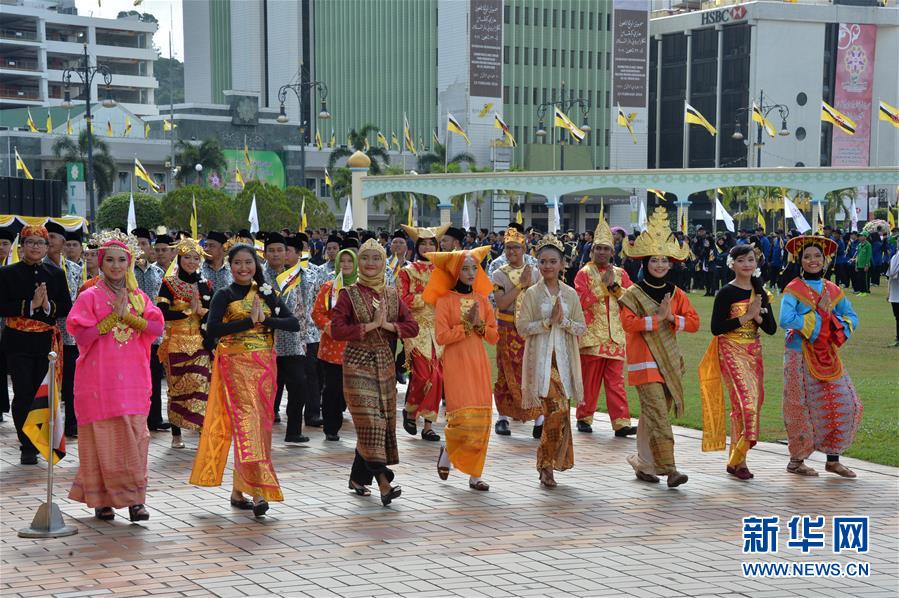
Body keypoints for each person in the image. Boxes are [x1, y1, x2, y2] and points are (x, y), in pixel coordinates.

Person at [190, 243, 300, 518]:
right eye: (237, 263)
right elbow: (212, 328)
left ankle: (239, 489)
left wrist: (265, 322)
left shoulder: (265, 292)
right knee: (247, 423)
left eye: (248, 263)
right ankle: (258, 490)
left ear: (256, 265)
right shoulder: (224, 295)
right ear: (230, 265)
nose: (243, 268)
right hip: (235, 364)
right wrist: (247, 324)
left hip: (264, 367)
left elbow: (293, 323)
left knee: (260, 426)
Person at [66, 232, 164, 521]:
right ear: (100, 262)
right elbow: (81, 334)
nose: (116, 265)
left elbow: (156, 329)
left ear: (130, 263)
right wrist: (112, 319)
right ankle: (102, 500)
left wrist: (129, 317)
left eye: (122, 260)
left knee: (137, 438)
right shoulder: (89, 296)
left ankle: (136, 501)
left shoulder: (138, 296)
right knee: (101, 440)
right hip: (98, 382)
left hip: (133, 381)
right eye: (109, 260)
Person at [329, 239, 419, 506]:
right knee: (370, 421)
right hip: (357, 363)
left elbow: (412, 326)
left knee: (380, 423)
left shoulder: (392, 294)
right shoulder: (348, 294)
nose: (370, 263)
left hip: (385, 363)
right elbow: (336, 329)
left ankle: (358, 478)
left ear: (383, 262)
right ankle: (384, 482)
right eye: (365, 258)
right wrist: (368, 327)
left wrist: (389, 326)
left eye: (376, 258)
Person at [619, 207, 699, 488]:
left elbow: (694, 323)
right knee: (659, 415)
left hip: (670, 363)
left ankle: (643, 462)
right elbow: (629, 325)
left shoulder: (676, 293)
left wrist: (671, 317)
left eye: (665, 260)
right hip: (644, 363)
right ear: (645, 261)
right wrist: (656, 320)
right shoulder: (632, 294)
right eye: (655, 260)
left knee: (653, 415)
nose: (661, 265)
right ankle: (670, 468)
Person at [780, 236, 862, 478]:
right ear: (800, 261)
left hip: (827, 352)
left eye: (817, 256)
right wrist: (818, 319)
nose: (813, 260)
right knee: (800, 405)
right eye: (807, 257)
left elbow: (851, 317)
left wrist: (832, 322)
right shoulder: (793, 288)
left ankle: (833, 459)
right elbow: (786, 319)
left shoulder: (833, 290)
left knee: (844, 402)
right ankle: (796, 461)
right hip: (799, 354)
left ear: (825, 260)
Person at [699, 245, 777, 480]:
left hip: (754, 351)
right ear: (732, 264)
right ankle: (738, 460)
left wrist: (758, 315)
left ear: (756, 263)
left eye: (751, 260)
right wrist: (745, 317)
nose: (747, 264)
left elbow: (772, 329)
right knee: (746, 406)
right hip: (731, 350)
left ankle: (737, 460)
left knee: (752, 405)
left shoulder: (760, 292)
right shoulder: (726, 293)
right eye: (741, 260)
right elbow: (716, 328)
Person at [425, 246, 498, 491]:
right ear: (455, 272)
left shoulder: (482, 299)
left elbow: (493, 336)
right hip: (456, 363)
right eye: (464, 268)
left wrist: (479, 327)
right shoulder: (445, 301)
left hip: (479, 362)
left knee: (482, 420)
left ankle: (475, 475)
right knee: (463, 420)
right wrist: (466, 326)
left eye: (473, 268)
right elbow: (442, 336)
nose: (470, 273)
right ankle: (448, 448)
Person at [517, 234, 587, 488]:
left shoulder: (570, 294)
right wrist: (547, 322)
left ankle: (548, 464)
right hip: (542, 364)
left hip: (565, 364)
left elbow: (581, 327)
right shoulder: (532, 294)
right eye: (543, 262)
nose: (547, 266)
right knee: (556, 412)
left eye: (553, 261)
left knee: (560, 415)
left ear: (562, 264)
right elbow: (522, 326)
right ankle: (546, 465)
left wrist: (564, 321)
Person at [0, 225, 73, 464]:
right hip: (18, 341)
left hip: (45, 343)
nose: (35, 247)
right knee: (23, 393)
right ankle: (27, 444)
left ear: (46, 247)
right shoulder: (7, 273)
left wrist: (48, 305)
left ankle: (42, 439)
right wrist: (29, 305)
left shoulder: (55, 274)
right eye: (30, 242)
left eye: (40, 243)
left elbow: (66, 306)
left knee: (44, 393)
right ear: (21, 246)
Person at [574, 217, 636, 437]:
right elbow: (581, 302)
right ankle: (584, 416)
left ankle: (621, 422)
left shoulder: (621, 274)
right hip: (592, 335)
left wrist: (615, 287)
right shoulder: (584, 273)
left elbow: (631, 300)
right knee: (589, 380)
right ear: (592, 251)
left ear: (613, 251)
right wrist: (603, 287)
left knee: (616, 382)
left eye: (606, 249)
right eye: (598, 248)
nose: (601, 252)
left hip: (616, 336)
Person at [156, 238, 214, 449]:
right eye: (187, 257)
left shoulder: (205, 285)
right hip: (175, 342)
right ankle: (176, 433)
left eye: (195, 258)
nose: (191, 261)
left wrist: (203, 312)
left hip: (199, 342)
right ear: (179, 259)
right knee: (177, 389)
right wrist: (187, 311)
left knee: (202, 385)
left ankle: (201, 429)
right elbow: (161, 314)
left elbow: (213, 315)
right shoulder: (168, 284)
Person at [397, 224, 449, 441]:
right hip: (416, 329)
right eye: (423, 243)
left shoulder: (445, 272)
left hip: (438, 329)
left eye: (431, 243)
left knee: (437, 377)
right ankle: (410, 411)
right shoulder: (406, 271)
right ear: (416, 246)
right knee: (421, 374)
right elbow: (402, 300)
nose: (427, 247)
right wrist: (427, 296)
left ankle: (428, 425)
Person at [491, 226, 543, 437]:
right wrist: (521, 285)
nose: (512, 252)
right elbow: (502, 302)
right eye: (508, 248)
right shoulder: (498, 273)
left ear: (524, 248)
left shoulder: (536, 272)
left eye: (516, 247)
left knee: (533, 371)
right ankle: (503, 417)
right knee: (505, 372)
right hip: (506, 328)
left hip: (530, 329)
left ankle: (539, 417)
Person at [312, 248, 356, 441]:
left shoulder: (362, 287)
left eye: (349, 261)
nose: (345, 264)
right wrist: (328, 326)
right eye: (342, 261)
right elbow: (317, 312)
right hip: (332, 346)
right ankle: (331, 427)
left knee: (352, 389)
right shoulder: (330, 287)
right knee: (332, 389)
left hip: (356, 346)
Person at [45, 221, 83, 439]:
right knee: (48, 382)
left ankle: (71, 425)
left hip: (70, 336)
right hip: (47, 333)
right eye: (46, 236)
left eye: (53, 237)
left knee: (70, 383)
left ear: (63, 242)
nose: (49, 241)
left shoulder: (76, 269)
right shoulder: (39, 266)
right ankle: (47, 427)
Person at [133, 228, 169, 432]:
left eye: (144, 244)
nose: (140, 248)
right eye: (136, 244)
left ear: (150, 248)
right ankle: (136, 417)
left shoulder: (159, 272)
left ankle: (155, 417)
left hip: (154, 334)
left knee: (154, 377)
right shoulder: (126, 272)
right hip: (132, 332)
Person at [889, 247, 899, 348]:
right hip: (895, 293)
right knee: (897, 317)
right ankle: (898, 338)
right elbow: (891, 275)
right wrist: (888, 293)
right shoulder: (894, 257)